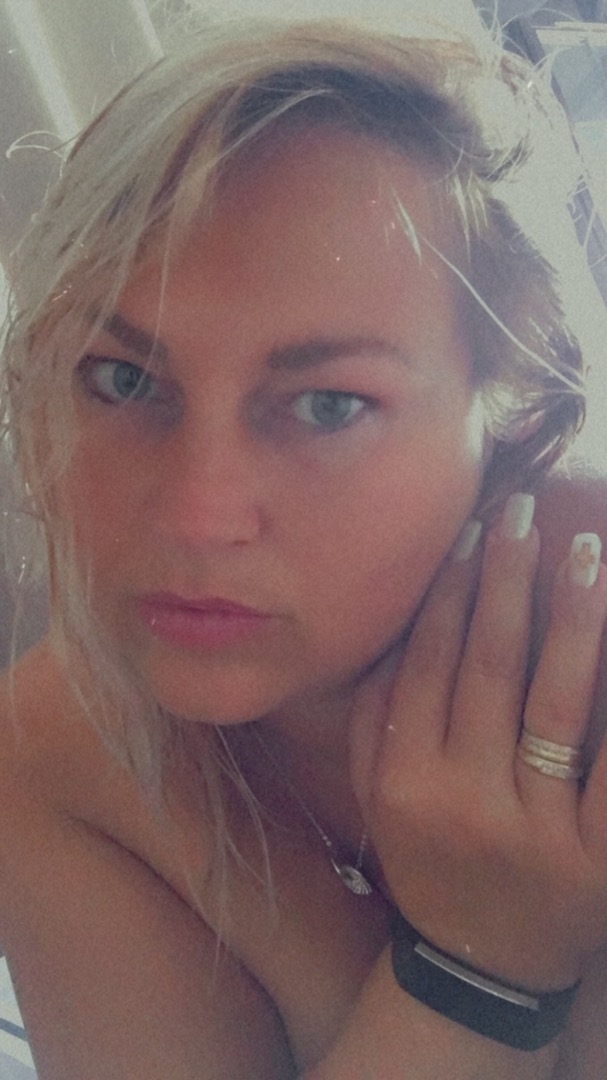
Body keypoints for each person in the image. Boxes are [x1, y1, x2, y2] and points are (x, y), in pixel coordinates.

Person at [1, 14, 607, 1078]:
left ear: (516, 420)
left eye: (329, 404)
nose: (197, 517)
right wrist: (476, 978)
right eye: (125, 380)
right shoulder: (55, 752)